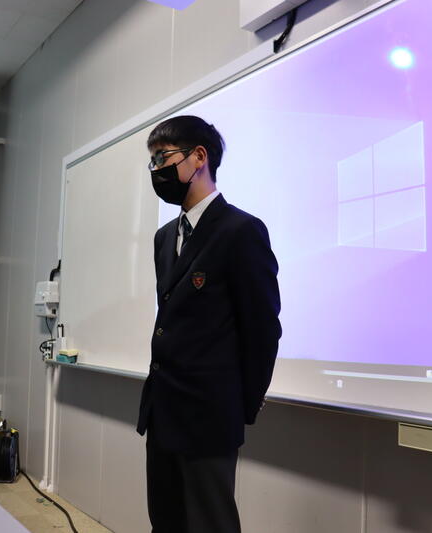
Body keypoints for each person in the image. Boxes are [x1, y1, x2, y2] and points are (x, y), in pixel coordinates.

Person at [136, 115, 282, 533]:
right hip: (163, 409)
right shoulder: (165, 237)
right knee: (165, 521)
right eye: (152, 162)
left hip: (210, 415)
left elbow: (262, 329)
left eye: (163, 158)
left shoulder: (241, 231)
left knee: (209, 524)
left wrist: (239, 406)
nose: (156, 170)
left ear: (199, 157)